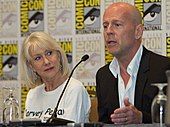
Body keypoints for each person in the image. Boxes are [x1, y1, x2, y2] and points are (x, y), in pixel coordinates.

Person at [96, 2, 170, 124]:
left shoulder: (164, 69)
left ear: (138, 31)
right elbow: (104, 122)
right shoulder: (103, 75)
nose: (108, 31)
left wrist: (141, 119)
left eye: (117, 24)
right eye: (105, 26)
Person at [20, 31, 91, 123]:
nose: (46, 61)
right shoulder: (32, 95)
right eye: (38, 58)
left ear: (58, 55)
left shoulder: (74, 89)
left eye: (49, 53)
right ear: (31, 66)